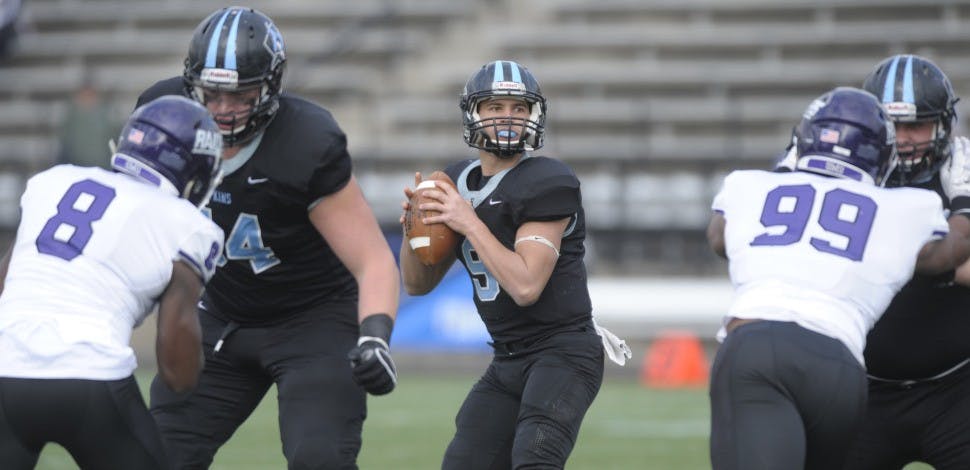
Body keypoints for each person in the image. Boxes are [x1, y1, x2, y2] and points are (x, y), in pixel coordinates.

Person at [136, 7, 401, 469]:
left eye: (241, 95)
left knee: (319, 459)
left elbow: (373, 260)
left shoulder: (305, 141)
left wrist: (375, 336)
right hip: (219, 314)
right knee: (157, 455)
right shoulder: (167, 118)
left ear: (271, 85)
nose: (223, 109)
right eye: (212, 93)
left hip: (312, 320)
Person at [706, 86, 970, 470]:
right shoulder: (904, 208)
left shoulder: (748, 185)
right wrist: (964, 198)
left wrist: (784, 172)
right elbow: (952, 250)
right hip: (841, 369)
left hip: (757, 345)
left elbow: (720, 238)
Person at [399, 60, 629, 469]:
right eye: (495, 107)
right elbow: (417, 285)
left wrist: (466, 220)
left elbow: (526, 286)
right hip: (507, 357)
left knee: (534, 460)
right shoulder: (454, 180)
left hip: (564, 351)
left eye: (519, 109)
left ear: (534, 117)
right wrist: (413, 232)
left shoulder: (548, 180)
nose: (508, 117)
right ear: (474, 114)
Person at [0, 95, 224, 470]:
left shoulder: (52, 181)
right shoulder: (187, 224)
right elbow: (176, 372)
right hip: (89, 373)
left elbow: (5, 284)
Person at [842, 54, 970, 470]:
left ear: (942, 126)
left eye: (916, 125)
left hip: (957, 388)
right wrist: (936, 262)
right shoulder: (844, 176)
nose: (903, 139)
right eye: (892, 125)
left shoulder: (962, 172)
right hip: (865, 391)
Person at [56, 80, 122, 169]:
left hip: (103, 169)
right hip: (78, 168)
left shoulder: (107, 118)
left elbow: (115, 140)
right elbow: (66, 146)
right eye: (84, 96)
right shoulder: (72, 119)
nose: (87, 99)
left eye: (90, 95)